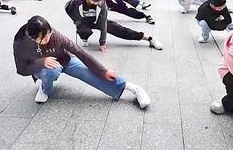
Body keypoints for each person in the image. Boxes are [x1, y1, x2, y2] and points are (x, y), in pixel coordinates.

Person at [13, 15, 151, 106]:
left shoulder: (53, 34)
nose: (49, 39)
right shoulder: (21, 43)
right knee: (51, 70)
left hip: (63, 59)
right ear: (32, 38)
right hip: (40, 68)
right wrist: (41, 62)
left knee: (88, 72)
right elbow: (21, 69)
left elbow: (79, 51)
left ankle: (133, 88)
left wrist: (103, 71)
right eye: (44, 38)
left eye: (49, 34)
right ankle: (45, 89)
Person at [65, 0, 163, 51]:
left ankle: (149, 39)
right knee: (83, 29)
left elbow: (103, 24)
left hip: (98, 21)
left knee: (120, 29)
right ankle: (84, 37)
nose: (98, 4)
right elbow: (67, 9)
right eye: (96, 2)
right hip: (84, 22)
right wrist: (77, 21)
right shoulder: (75, 2)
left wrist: (102, 42)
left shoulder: (102, 3)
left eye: (99, 2)